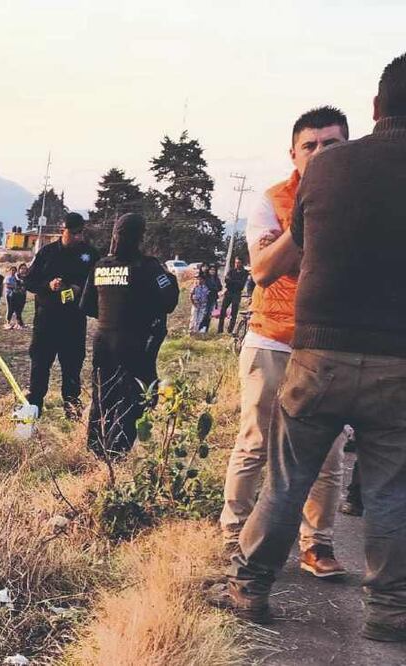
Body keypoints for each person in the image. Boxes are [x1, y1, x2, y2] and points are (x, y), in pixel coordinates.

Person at [215, 55, 406, 640]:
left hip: (316, 351)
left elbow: (289, 253)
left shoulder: (324, 171)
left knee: (287, 477)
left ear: (374, 111)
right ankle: (390, 613)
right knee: (388, 491)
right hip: (397, 361)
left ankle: (249, 587)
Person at [218, 106, 351, 579]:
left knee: (329, 454)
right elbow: (263, 268)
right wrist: (308, 228)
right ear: (292, 153)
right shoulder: (271, 200)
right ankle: (233, 533)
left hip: (329, 343)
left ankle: (317, 544)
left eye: (330, 145)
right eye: (309, 146)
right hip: (271, 338)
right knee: (254, 442)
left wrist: (294, 246)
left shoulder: (363, 200)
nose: (318, 154)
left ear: (348, 148)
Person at [81, 213, 179, 458]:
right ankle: (116, 452)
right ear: (140, 236)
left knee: (103, 395)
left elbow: (87, 306)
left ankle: (96, 448)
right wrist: (170, 280)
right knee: (136, 396)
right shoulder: (148, 267)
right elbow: (168, 302)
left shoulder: (102, 266)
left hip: (103, 340)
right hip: (135, 342)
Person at [24, 212, 100, 419]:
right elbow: (29, 282)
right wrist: (48, 285)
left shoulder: (90, 255)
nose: (78, 237)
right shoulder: (47, 253)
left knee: (72, 367)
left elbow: (99, 285)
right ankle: (34, 409)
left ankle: (72, 411)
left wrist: (80, 289)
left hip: (73, 321)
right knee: (40, 365)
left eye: (81, 233)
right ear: (62, 231)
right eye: (74, 233)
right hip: (46, 321)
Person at [218, 257, 249, 334]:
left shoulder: (245, 273)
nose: (237, 264)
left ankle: (230, 330)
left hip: (237, 294)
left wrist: (232, 281)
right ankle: (220, 330)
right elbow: (226, 281)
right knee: (223, 310)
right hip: (229, 292)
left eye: (238, 262)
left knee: (234, 312)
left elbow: (241, 285)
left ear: (242, 263)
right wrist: (235, 282)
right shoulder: (231, 271)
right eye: (236, 262)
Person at [200, 265, 223, 332]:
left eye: (214, 270)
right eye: (211, 269)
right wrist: (214, 288)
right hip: (206, 297)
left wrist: (215, 289)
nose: (212, 271)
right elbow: (207, 286)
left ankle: (206, 328)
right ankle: (201, 327)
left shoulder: (216, 279)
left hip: (213, 298)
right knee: (205, 312)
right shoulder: (206, 278)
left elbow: (220, 287)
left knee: (209, 313)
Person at [189, 266, 210, 334]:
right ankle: (191, 331)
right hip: (196, 304)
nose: (200, 280)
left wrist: (205, 303)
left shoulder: (205, 287)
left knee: (199, 319)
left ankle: (196, 331)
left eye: (201, 279)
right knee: (193, 318)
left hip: (203, 305)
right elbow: (191, 295)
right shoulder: (195, 287)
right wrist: (193, 303)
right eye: (198, 279)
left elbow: (207, 296)